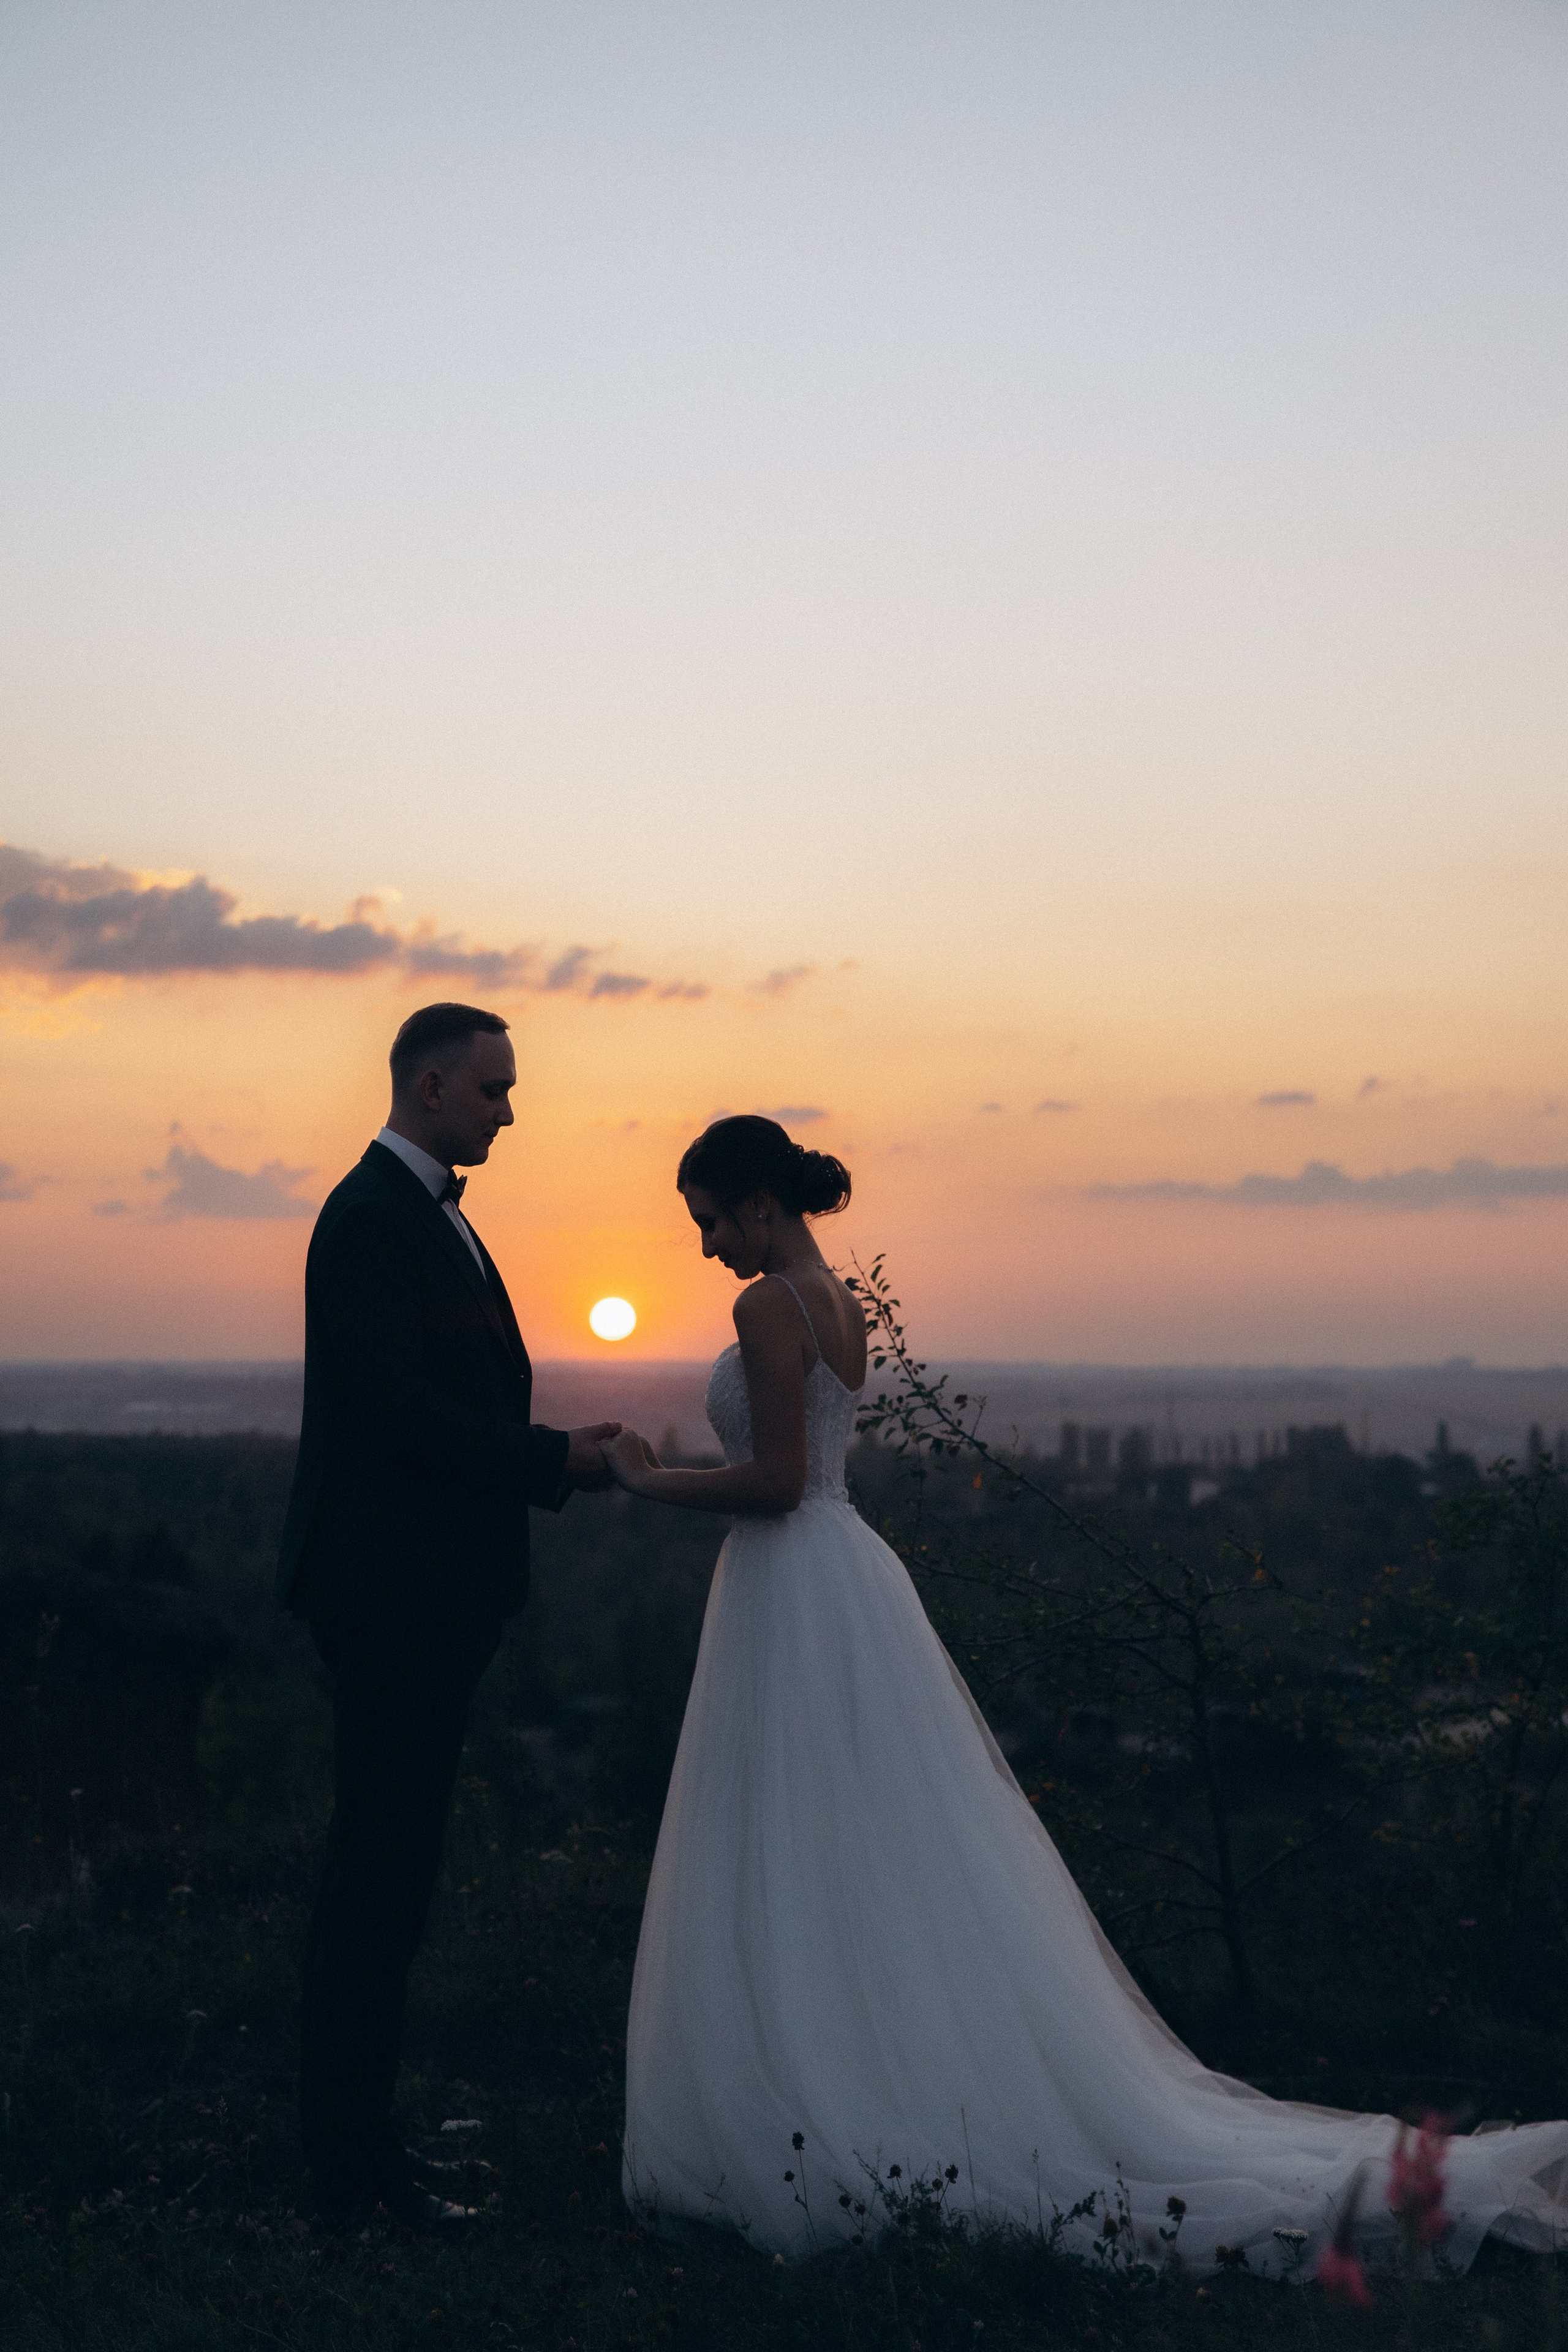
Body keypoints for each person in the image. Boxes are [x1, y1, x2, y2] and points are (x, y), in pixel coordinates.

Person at [600, 1114, 1568, 2277]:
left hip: (790, 1579)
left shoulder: (767, 1304)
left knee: (788, 1841)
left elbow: (774, 1479)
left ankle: (814, 2084)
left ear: (757, 1202)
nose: (706, 1247)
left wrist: (649, 1483)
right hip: (844, 1575)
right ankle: (862, 2063)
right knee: (859, 1843)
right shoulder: (839, 1297)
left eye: (709, 1220)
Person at [277, 1001, 620, 2228]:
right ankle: (351, 2172)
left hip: (429, 1598)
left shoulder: (419, 1218)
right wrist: (551, 1461)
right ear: (429, 1089)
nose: (510, 1112)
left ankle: (363, 2149)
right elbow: (393, 1417)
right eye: (493, 1091)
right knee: (377, 1876)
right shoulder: (373, 1221)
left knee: (394, 1870)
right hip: (391, 1602)